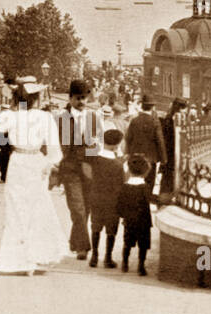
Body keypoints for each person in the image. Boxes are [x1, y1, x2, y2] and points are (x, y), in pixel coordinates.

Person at [0, 83, 67, 274]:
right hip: (36, 161)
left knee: (16, 209)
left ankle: (16, 260)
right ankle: (35, 257)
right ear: (35, 98)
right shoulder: (45, 117)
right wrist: (51, 164)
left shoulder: (9, 116)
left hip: (17, 161)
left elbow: (0, 141)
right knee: (37, 208)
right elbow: (54, 147)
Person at [58, 80, 101, 260]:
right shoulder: (61, 118)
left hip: (89, 168)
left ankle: (76, 242)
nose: (82, 102)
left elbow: (100, 141)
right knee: (77, 209)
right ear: (70, 98)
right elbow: (58, 145)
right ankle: (83, 247)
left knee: (87, 208)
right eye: (78, 98)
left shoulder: (94, 117)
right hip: (70, 169)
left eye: (84, 98)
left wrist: (94, 146)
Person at [88, 129, 125, 268]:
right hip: (112, 201)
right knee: (111, 229)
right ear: (117, 145)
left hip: (96, 196)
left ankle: (94, 256)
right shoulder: (118, 165)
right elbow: (121, 185)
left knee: (95, 225)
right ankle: (108, 257)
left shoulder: (95, 159)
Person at [117, 154, 154, 275]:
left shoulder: (125, 187)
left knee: (127, 243)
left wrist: (123, 216)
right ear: (145, 172)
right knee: (143, 245)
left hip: (129, 220)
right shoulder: (145, 187)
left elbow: (120, 204)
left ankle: (125, 263)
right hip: (143, 222)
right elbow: (151, 199)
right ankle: (141, 266)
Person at [124, 98, 166, 185]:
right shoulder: (155, 122)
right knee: (149, 183)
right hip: (150, 158)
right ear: (152, 107)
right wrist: (163, 158)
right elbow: (160, 141)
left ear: (142, 106)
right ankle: (147, 197)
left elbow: (128, 138)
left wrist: (128, 153)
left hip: (135, 157)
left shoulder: (134, 120)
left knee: (135, 180)